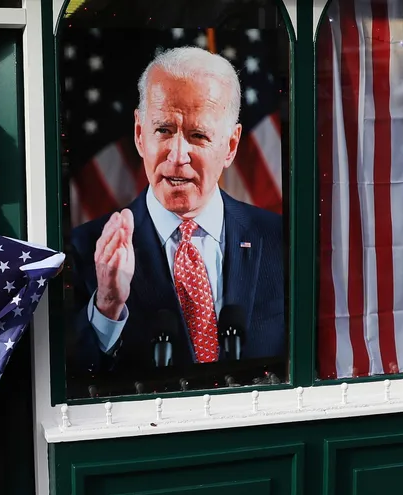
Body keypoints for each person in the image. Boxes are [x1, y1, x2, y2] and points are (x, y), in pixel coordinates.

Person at [69, 47, 285, 374]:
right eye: (164, 131)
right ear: (140, 134)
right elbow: (75, 380)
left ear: (230, 145)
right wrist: (108, 306)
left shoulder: (279, 240)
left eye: (198, 135)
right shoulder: (86, 250)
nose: (177, 155)